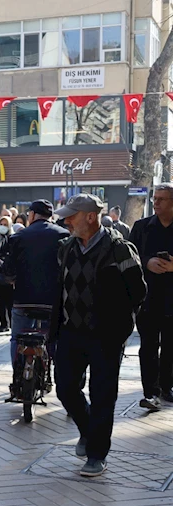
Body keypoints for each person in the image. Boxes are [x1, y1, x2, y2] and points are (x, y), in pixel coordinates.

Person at [51, 194, 145, 477]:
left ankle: (97, 455)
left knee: (103, 394)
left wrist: (118, 324)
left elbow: (138, 292)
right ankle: (89, 429)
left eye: (72, 216)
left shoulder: (120, 250)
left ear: (90, 217)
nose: (66, 221)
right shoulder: (65, 248)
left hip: (106, 336)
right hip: (70, 332)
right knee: (65, 388)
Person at [1, 200, 69, 378]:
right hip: (53, 300)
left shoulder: (19, 237)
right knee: (53, 337)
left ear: (31, 215)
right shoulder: (64, 235)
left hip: (24, 299)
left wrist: (12, 280)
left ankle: (18, 376)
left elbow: (8, 270)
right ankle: (48, 372)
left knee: (17, 337)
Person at [129, 183, 173, 411]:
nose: (155, 203)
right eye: (155, 199)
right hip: (147, 297)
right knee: (148, 346)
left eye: (162, 199)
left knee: (170, 346)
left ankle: (167, 387)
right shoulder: (142, 227)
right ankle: (151, 392)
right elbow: (129, 258)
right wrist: (148, 262)